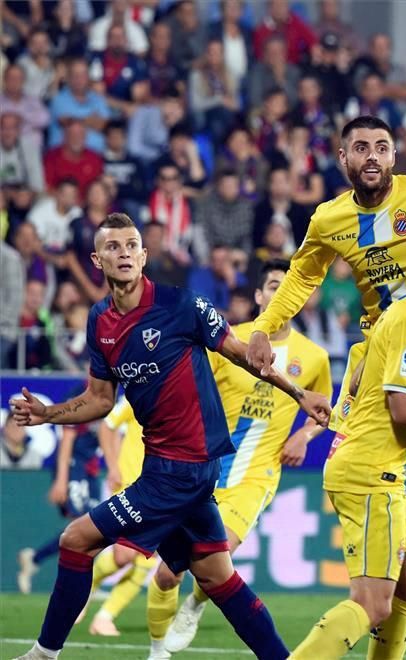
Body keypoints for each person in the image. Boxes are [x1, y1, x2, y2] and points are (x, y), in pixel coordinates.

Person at [9, 212, 331, 660]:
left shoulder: (181, 305)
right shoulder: (100, 322)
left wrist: (298, 394)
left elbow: (241, 355)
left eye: (131, 245)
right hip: (170, 468)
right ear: (96, 259)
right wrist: (49, 414)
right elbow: (100, 399)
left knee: (76, 540)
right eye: (113, 247)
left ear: (144, 256)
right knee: (219, 577)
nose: (123, 254)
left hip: (184, 468)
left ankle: (43, 654)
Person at [246, 116, 406, 659]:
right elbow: (301, 276)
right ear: (343, 158)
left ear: (394, 156)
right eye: (360, 147)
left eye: (382, 147)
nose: (372, 156)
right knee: (387, 462)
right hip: (390, 350)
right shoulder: (330, 217)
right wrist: (267, 326)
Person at [290, 219, 406, 659]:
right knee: (372, 603)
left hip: (380, 472)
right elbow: (403, 409)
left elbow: (387, 398)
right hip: (369, 475)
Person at [153, 259, 332, 656]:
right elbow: (192, 389)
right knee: (167, 573)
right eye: (271, 285)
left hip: (257, 476)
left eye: (287, 288)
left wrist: (305, 434)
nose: (278, 294)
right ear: (257, 295)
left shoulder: (314, 357)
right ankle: (157, 647)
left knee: (220, 553)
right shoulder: (229, 340)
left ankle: (196, 604)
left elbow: (324, 410)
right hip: (206, 471)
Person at [80, 396, 156, 637]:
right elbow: (108, 425)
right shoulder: (140, 392)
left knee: (148, 558)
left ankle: (105, 617)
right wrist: (113, 466)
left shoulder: (183, 396)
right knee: (124, 556)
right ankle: (84, 588)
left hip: (161, 490)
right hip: (130, 485)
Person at [17, 414, 105, 594]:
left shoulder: (114, 396)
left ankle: (35, 558)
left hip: (90, 468)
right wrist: (61, 480)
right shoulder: (83, 392)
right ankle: (79, 583)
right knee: (86, 526)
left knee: (96, 527)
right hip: (74, 465)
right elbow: (67, 437)